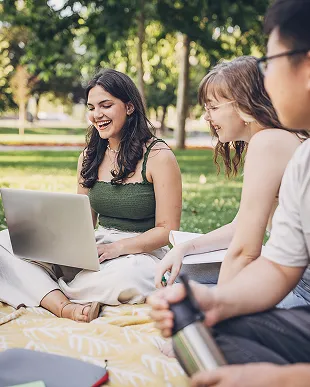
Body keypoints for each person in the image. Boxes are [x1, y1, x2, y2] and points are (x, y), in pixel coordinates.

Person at [148, 0, 310, 385]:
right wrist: (216, 303)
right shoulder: (302, 155)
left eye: (268, 64)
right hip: (296, 291)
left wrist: (280, 380)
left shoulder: (271, 142)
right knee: (209, 328)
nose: (266, 80)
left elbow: (245, 249)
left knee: (215, 344)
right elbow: (273, 261)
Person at [0, 69, 182, 323]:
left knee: (128, 275)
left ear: (129, 107)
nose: (97, 115)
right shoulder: (88, 156)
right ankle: (65, 304)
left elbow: (167, 230)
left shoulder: (159, 156)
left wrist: (117, 249)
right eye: (92, 107)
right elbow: (84, 222)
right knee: (4, 244)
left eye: (106, 105)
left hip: (140, 252)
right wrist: (57, 243)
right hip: (97, 248)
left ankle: (45, 289)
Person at [156, 55, 310, 310]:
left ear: (244, 106)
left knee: (181, 298)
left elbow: (244, 252)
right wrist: (184, 248)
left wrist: (218, 315)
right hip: (291, 279)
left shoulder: (269, 143)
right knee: (181, 280)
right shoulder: (277, 139)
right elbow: (240, 227)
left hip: (301, 290)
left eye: (213, 107)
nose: (206, 117)